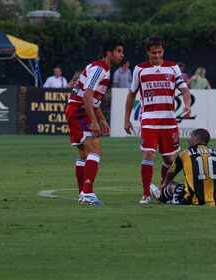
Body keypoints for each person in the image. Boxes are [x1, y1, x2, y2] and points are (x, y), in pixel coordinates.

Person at [124, 37, 192, 204]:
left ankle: (163, 188)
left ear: (163, 51)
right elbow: (132, 94)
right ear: (148, 52)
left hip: (169, 120)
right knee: (148, 154)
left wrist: (187, 105)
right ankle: (146, 194)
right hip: (149, 119)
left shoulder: (172, 67)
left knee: (170, 160)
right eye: (153, 52)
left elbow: (184, 90)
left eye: (159, 52)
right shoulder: (140, 69)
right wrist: (126, 119)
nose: (156, 55)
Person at [65, 41, 124, 205]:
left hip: (77, 110)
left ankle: (83, 194)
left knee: (84, 154)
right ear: (108, 53)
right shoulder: (99, 69)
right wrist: (93, 122)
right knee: (95, 151)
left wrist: (102, 119)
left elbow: (94, 100)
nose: (122, 55)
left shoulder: (104, 70)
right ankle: (88, 193)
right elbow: (87, 96)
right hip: (79, 111)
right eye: (118, 51)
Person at [152, 128, 216, 206]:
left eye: (191, 136)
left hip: (193, 199)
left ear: (196, 139)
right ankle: (173, 197)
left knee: (171, 185)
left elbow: (171, 172)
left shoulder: (185, 154)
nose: (188, 140)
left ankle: (161, 196)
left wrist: (163, 185)